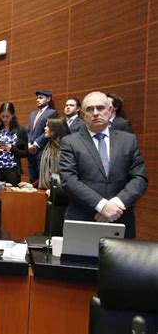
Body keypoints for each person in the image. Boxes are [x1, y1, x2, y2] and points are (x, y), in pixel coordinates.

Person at [59, 91, 147, 238]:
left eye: (100, 108)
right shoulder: (70, 142)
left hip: (120, 219)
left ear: (110, 110)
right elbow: (68, 180)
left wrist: (116, 204)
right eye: (90, 109)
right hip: (83, 220)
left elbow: (139, 178)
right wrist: (101, 205)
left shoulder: (128, 140)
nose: (95, 113)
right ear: (83, 115)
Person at [19, 118, 70, 195]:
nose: (45, 128)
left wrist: (55, 189)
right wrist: (33, 185)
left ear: (55, 129)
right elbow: (46, 174)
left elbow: (66, 176)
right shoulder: (49, 146)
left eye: (47, 126)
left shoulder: (65, 149)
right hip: (48, 191)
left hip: (60, 194)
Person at [0, 102, 28, 186]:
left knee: (12, 196)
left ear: (13, 115)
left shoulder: (20, 131)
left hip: (13, 170)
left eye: (7, 116)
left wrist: (11, 148)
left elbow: (25, 153)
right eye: (2, 116)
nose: (5, 119)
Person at [26, 90, 58, 182]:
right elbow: (28, 130)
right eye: (37, 98)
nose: (37, 100)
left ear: (48, 99)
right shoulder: (33, 114)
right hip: (30, 152)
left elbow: (49, 131)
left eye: (40, 98)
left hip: (41, 152)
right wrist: (28, 144)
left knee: (41, 180)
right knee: (32, 180)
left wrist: (35, 144)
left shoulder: (52, 113)